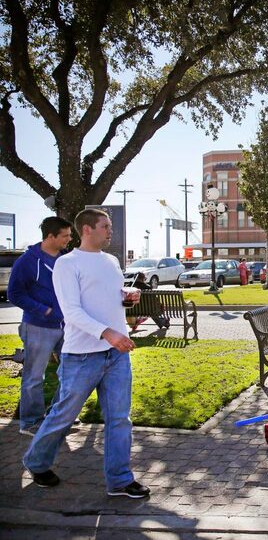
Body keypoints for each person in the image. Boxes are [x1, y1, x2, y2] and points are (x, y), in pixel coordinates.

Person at [23, 209, 150, 498]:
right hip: (82, 355)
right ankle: (36, 461)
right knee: (63, 415)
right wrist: (108, 332)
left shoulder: (112, 261)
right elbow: (72, 312)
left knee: (119, 418)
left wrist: (126, 299)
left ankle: (119, 480)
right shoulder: (68, 264)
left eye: (110, 226)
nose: (110, 231)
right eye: (106, 226)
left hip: (116, 354)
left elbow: (109, 297)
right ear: (87, 229)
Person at [8, 216, 73, 436]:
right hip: (37, 327)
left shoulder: (66, 259)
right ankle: (30, 423)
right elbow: (14, 294)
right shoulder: (28, 261)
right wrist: (44, 310)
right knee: (34, 377)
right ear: (51, 236)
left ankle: (57, 417)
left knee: (71, 373)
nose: (69, 239)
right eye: (65, 236)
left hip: (66, 327)